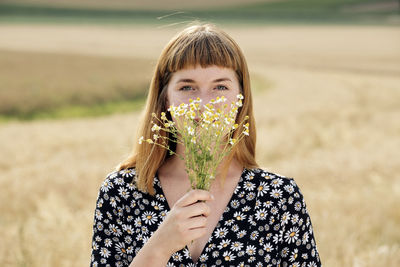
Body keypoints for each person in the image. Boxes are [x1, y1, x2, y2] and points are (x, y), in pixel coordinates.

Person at [90, 23, 321, 267]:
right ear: (165, 98)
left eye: (220, 87)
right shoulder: (122, 193)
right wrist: (159, 248)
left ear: (241, 99)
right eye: (187, 87)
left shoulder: (279, 198)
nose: (203, 103)